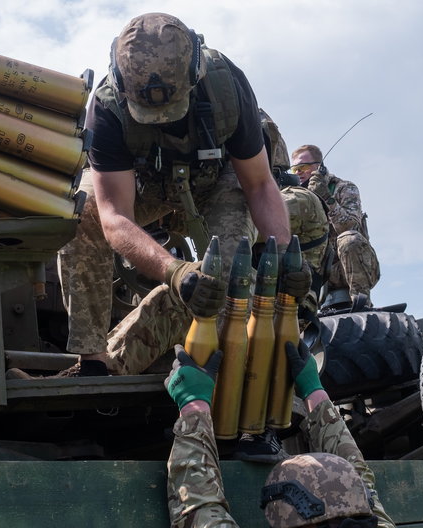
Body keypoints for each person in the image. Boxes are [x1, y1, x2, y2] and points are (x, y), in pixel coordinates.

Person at [52, 12, 308, 378]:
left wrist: (282, 256)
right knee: (82, 209)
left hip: (215, 185)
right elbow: (114, 216)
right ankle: (93, 359)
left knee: (227, 276)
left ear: (195, 73)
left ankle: (237, 371)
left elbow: (259, 184)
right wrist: (175, 273)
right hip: (145, 188)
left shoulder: (227, 87)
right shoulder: (107, 107)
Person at [164, 341, 395, 527]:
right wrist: (314, 391)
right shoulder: (370, 519)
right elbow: (361, 485)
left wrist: (191, 404)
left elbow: (197, 510)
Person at [290, 145, 380, 310]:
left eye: (304, 167)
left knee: (349, 239)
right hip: (320, 272)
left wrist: (326, 197)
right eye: (295, 168)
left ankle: (362, 305)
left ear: (320, 167)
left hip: (353, 267)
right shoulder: (296, 198)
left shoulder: (343, 188)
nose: (298, 172)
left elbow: (349, 225)